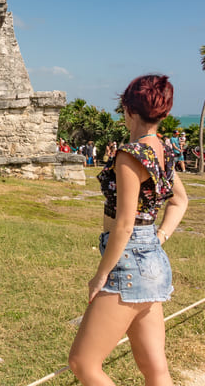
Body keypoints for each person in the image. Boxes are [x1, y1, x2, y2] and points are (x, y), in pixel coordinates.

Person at [68, 74, 188, 385]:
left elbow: (123, 224)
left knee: (83, 362)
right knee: (154, 367)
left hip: (129, 260)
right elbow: (180, 202)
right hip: (152, 257)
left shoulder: (130, 154)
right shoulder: (166, 150)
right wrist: (157, 238)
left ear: (128, 110)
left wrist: (101, 275)